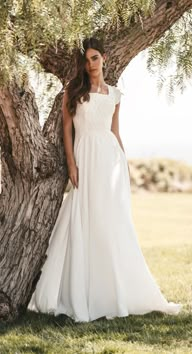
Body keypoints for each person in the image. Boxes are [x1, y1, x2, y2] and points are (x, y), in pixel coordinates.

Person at [27, 37, 182, 322]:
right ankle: (79, 291)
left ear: (105, 58)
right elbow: (67, 131)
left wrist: (123, 162)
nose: (90, 64)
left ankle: (113, 291)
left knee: (110, 220)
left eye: (95, 58)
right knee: (84, 217)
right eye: (86, 60)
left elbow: (115, 132)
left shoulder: (115, 95)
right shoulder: (73, 92)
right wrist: (72, 164)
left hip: (109, 159)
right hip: (85, 158)